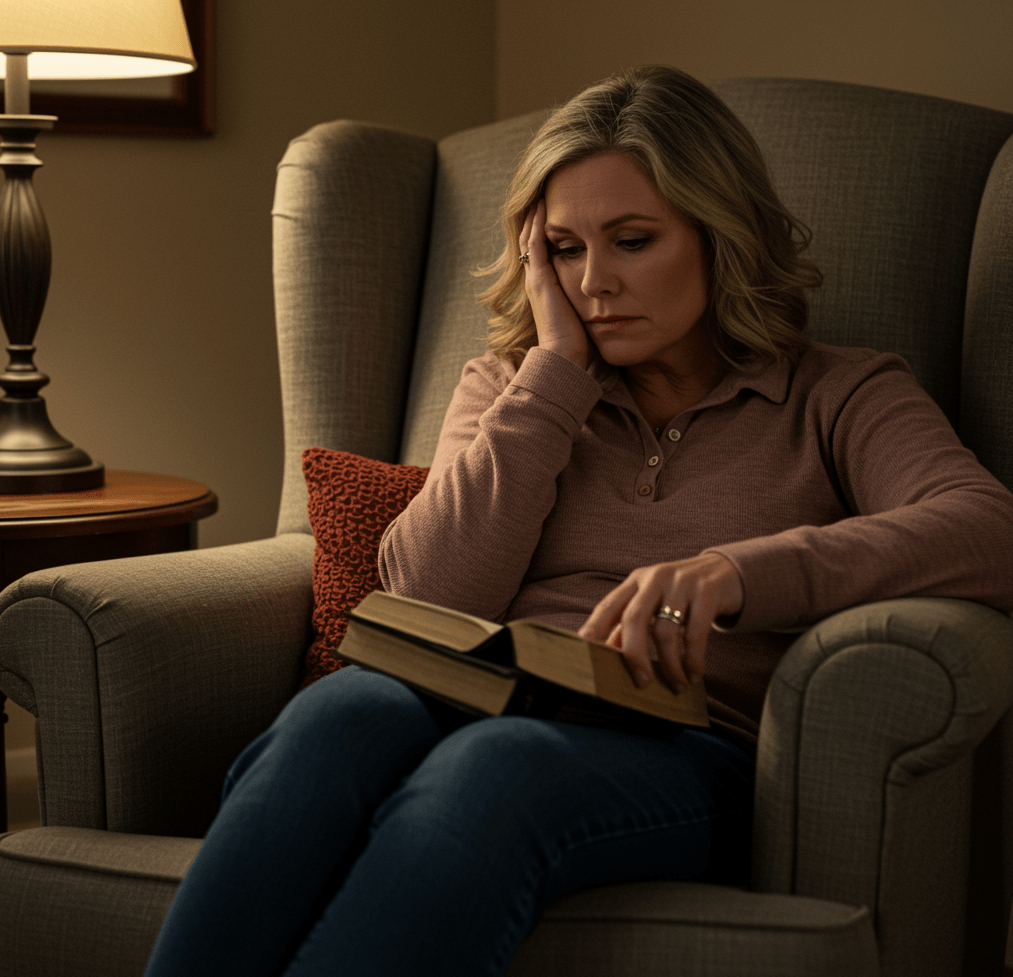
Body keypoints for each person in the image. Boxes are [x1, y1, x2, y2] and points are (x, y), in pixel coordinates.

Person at [143, 65, 1013, 977]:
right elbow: (429, 593)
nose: (594, 282)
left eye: (632, 240)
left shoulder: (840, 394)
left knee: (491, 773)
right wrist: (554, 371)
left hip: (683, 747)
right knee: (335, 720)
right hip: (474, 697)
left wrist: (736, 572)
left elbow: (988, 531)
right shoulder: (513, 389)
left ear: (722, 235)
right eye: (562, 249)